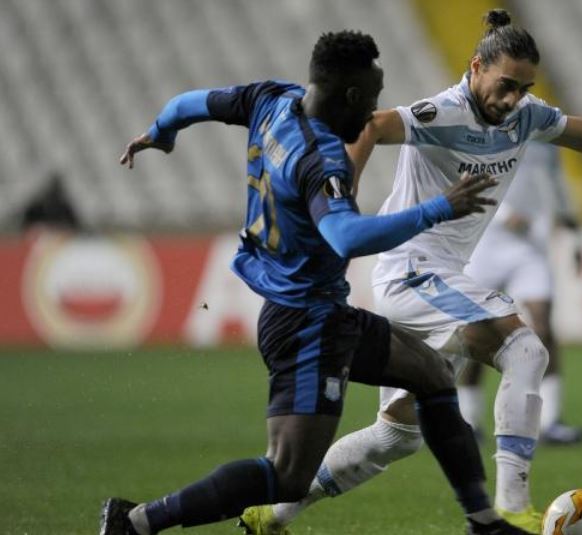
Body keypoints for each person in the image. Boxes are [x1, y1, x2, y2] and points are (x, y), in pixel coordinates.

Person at [244, 10, 582, 534]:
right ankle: (511, 506)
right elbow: (371, 123)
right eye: (506, 85)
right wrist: (341, 196)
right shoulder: (441, 112)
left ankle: (273, 514)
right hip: (413, 271)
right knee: (526, 351)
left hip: (433, 276)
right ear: (476, 67)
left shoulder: (526, 116)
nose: (512, 99)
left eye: (523, 88)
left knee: (396, 436)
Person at [99, 30, 532, 535]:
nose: (372, 113)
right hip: (305, 325)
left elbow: (189, 103)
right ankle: (137, 521)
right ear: (350, 95)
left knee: (434, 374)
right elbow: (345, 237)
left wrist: (162, 131)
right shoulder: (322, 158)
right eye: (370, 99)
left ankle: (484, 523)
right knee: (287, 475)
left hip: (323, 311)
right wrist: (438, 208)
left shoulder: (270, 99)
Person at [460, 142, 582, 445]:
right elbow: (463, 178)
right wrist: (504, 214)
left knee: (543, 326)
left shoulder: (545, 136)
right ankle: (468, 420)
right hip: (485, 243)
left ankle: (551, 421)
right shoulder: (484, 134)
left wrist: (574, 232)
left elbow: (555, 180)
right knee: (477, 331)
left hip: (530, 244)